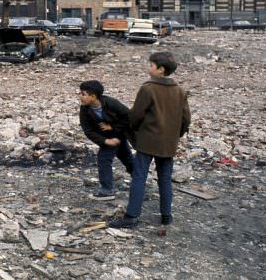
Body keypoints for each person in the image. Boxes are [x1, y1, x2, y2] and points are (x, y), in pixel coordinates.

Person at [109, 52, 191, 228]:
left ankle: (131, 217)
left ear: (161, 70)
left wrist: (136, 131)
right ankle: (166, 216)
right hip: (168, 143)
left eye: (151, 65)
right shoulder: (180, 91)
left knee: (139, 177)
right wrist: (175, 135)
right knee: (165, 178)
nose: (149, 68)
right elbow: (186, 120)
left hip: (148, 140)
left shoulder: (148, 88)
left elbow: (136, 115)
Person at [78, 80, 134, 200]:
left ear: (93, 96)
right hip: (106, 137)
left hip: (119, 133)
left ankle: (107, 191)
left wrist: (113, 127)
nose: (80, 96)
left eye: (83, 94)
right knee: (126, 157)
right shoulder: (84, 109)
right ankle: (139, 178)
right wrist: (105, 141)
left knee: (104, 159)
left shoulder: (111, 103)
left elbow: (129, 117)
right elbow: (88, 131)